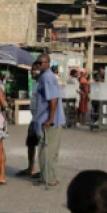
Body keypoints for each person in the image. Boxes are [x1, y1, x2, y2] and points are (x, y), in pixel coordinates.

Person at [33, 52, 65, 187]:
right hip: (45, 118)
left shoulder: (47, 78)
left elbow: (53, 100)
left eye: (41, 63)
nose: (38, 65)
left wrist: (50, 119)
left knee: (46, 150)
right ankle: (51, 176)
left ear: (47, 64)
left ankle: (48, 178)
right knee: (51, 149)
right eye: (38, 63)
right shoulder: (44, 77)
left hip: (48, 120)